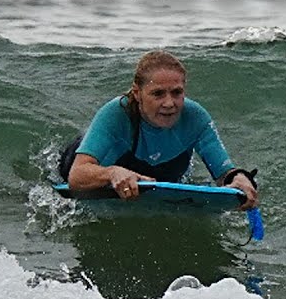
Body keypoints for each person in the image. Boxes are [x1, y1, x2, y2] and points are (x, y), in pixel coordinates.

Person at [59, 50, 259, 208]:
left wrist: (239, 179)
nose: (169, 103)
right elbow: (76, 176)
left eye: (176, 92)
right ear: (137, 93)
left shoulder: (195, 117)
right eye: (158, 93)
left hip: (155, 173)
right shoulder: (116, 113)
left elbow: (224, 172)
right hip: (95, 166)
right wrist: (112, 173)